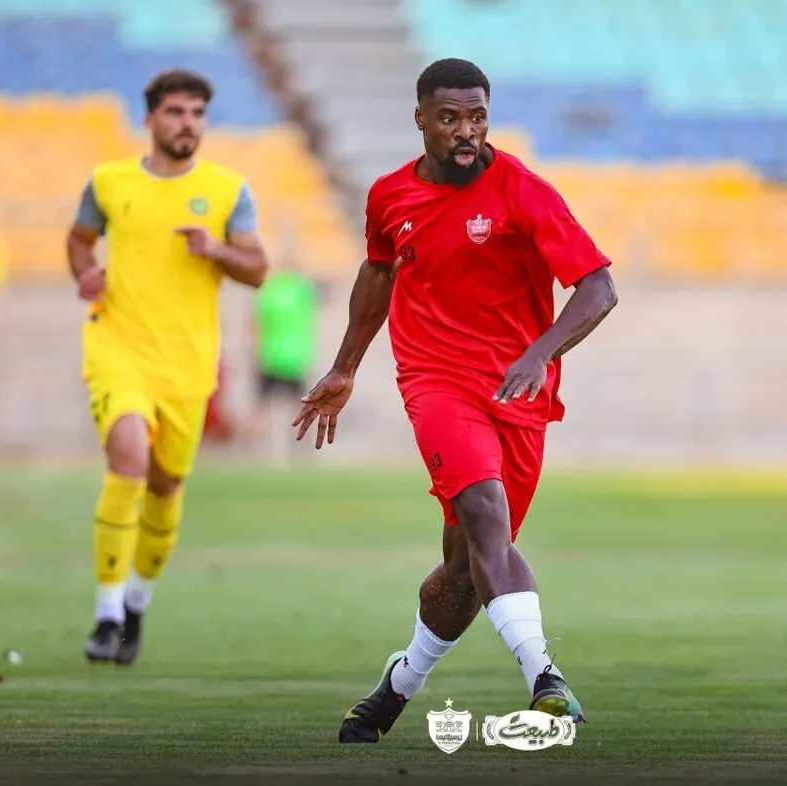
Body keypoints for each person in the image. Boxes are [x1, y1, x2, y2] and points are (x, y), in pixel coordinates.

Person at [292, 58, 619, 743]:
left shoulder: (524, 192)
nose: (466, 131)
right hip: (435, 381)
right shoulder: (390, 197)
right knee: (486, 515)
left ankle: (398, 684)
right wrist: (346, 367)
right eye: (449, 118)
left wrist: (540, 352)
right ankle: (545, 678)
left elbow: (598, 288)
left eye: (477, 117)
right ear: (421, 120)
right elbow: (378, 272)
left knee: (465, 569)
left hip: (517, 390)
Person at [66, 69, 269, 665]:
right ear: (150, 118)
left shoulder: (228, 190)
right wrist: (85, 272)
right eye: (177, 112)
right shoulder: (109, 182)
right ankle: (106, 615)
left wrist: (215, 250)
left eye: (198, 113)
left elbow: (258, 269)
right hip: (118, 347)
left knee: (165, 485)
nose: (188, 124)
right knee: (128, 456)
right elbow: (79, 239)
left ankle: (135, 602)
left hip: (187, 364)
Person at [252, 260, 320, 465]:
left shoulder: (268, 290)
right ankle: (305, 452)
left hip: (270, 356)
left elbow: (257, 324)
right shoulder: (301, 290)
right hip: (295, 357)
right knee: (301, 409)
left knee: (263, 409)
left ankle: (259, 453)